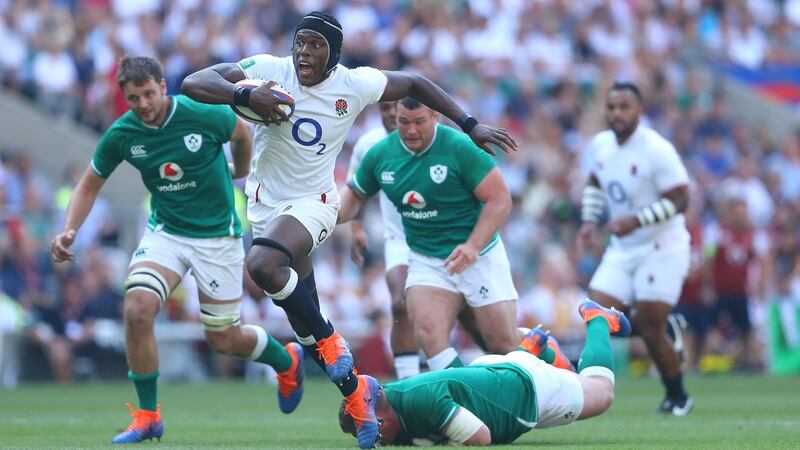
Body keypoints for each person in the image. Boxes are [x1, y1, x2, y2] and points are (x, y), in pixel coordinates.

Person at [180, 11, 516, 448]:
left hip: (316, 203)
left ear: (333, 55)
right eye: (301, 41)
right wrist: (244, 93)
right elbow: (193, 83)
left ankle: (332, 341)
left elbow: (413, 82)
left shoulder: (353, 84)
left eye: (316, 45)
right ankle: (358, 396)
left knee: (262, 265)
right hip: (266, 209)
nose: (305, 50)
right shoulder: (268, 70)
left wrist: (469, 125)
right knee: (306, 327)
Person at [50, 56, 305, 444]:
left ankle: (286, 362)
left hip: (218, 238)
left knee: (224, 338)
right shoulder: (123, 133)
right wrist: (69, 230)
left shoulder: (201, 113)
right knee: (136, 309)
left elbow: (241, 133)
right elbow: (88, 185)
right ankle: (148, 415)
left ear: (163, 87)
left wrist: (239, 170)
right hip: (166, 233)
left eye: (148, 94)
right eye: (133, 98)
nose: (143, 104)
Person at [338, 98, 520, 373]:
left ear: (435, 116)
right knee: (429, 335)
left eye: (419, 122)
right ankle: (463, 397)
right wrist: (320, 213)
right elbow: (352, 198)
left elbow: (500, 199)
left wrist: (472, 247)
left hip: (478, 257)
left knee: (502, 344)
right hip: (426, 258)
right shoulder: (379, 153)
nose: (410, 130)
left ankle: (540, 353)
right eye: (403, 122)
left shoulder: (459, 148)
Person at [339, 300, 631, 446]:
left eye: (370, 430)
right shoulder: (396, 399)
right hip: (492, 372)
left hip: (526, 389)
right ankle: (534, 351)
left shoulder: (419, 402)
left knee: (602, 391)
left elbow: (481, 438)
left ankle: (597, 320)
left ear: (378, 415)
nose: (377, 440)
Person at [576, 81, 693, 415]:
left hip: (662, 244)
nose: (616, 113)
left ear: (640, 110)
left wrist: (636, 220)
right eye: (611, 107)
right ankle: (662, 327)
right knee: (596, 313)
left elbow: (681, 198)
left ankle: (678, 396)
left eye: (624, 107)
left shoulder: (656, 149)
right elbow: (596, 183)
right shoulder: (600, 145)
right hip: (624, 246)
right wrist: (588, 221)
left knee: (650, 326)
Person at [346, 101, 421, 379]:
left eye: (396, 107)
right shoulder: (369, 144)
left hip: (440, 240)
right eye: (385, 108)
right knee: (400, 304)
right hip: (399, 239)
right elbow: (356, 188)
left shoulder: (435, 139)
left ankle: (539, 352)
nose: (390, 114)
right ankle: (409, 385)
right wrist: (356, 228)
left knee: (470, 320)